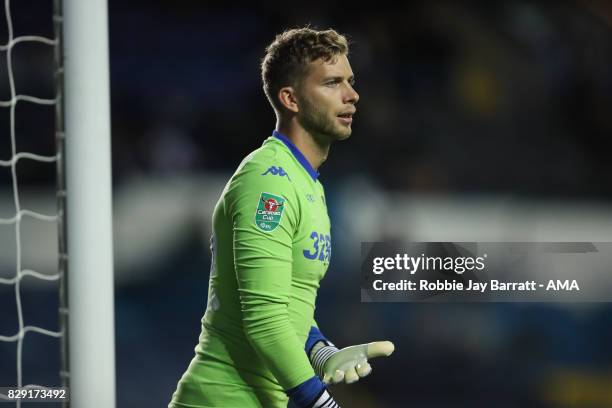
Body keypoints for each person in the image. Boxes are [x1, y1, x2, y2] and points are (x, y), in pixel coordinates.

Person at [169, 27, 394, 408]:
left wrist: (320, 350)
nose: (352, 94)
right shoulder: (268, 182)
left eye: (350, 82)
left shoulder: (309, 184)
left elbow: (283, 303)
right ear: (290, 98)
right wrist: (321, 403)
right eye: (332, 83)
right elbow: (263, 318)